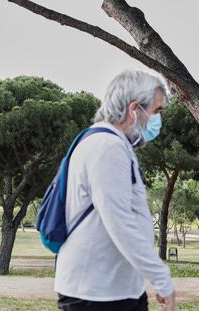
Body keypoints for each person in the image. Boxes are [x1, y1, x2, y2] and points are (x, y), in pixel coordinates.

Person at [55, 70, 175, 311]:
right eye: (155, 111)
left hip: (115, 289)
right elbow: (120, 222)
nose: (157, 120)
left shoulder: (114, 143)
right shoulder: (106, 147)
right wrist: (161, 278)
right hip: (96, 294)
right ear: (134, 109)